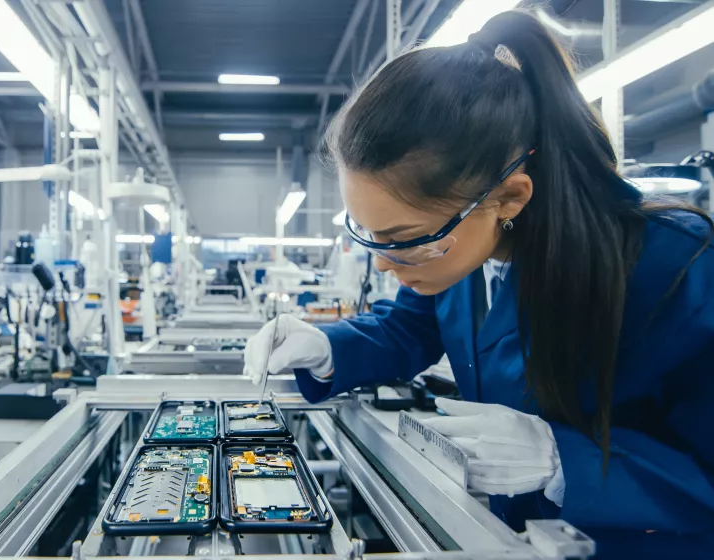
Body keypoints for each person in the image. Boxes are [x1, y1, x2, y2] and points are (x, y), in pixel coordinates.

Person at [244, 11, 714, 559]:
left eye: (403, 238)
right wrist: (326, 348)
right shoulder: (464, 250)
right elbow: (408, 326)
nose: (385, 263)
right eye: (368, 234)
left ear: (510, 198)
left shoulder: (674, 267)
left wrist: (566, 461)